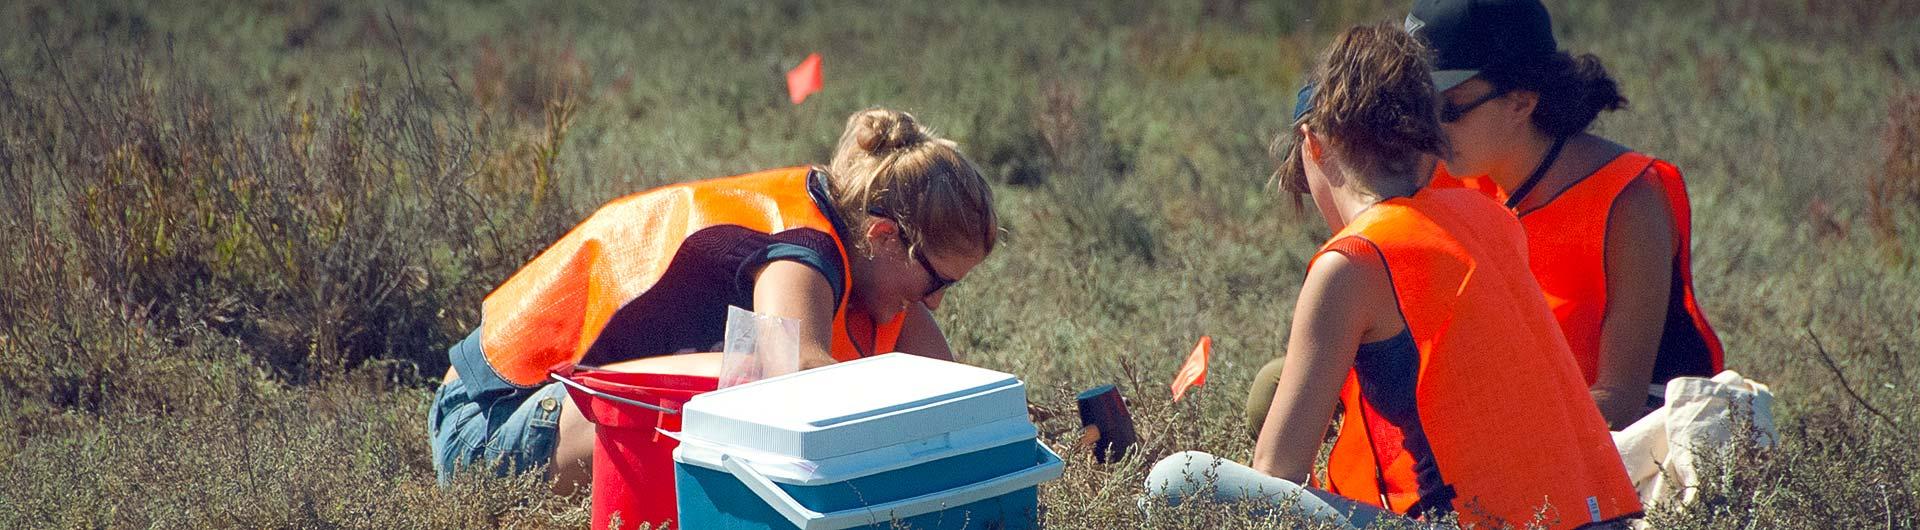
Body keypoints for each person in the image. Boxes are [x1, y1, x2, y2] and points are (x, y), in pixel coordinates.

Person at [1148, 23, 1640, 529]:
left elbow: (1277, 472)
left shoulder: (1352, 262)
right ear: (1431, 147)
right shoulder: (1489, 219)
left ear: (1314, 145)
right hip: (1604, 519)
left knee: (1177, 481)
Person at [427, 108, 999, 494]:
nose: (936, 305)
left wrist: (1007, 424)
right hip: (486, 426)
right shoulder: (802, 250)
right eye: (935, 283)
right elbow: (797, 376)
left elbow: (944, 391)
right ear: (882, 236)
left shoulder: (870, 267)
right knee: (753, 386)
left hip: (540, 412)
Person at [1412, 0, 1725, 428]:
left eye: (1448, 109)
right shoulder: (1448, 173)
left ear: (1521, 102)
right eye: (1418, 105)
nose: (1428, 128)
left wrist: (1491, 436)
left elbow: (1619, 398)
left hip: (1618, 439)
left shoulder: (1628, 201)